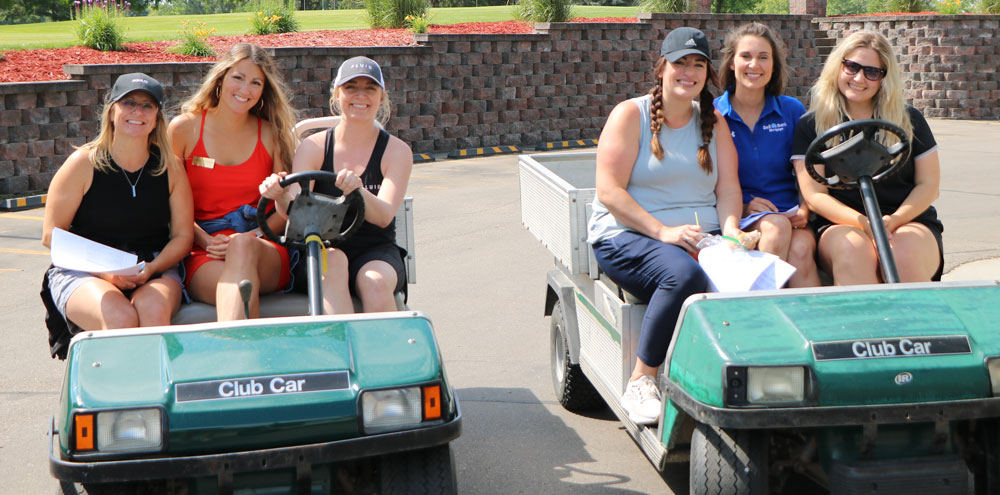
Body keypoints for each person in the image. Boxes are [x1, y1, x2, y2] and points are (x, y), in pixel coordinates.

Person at [586, 28, 745, 425]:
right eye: (679, 63)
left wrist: (730, 233)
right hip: (629, 236)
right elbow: (609, 192)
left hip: (698, 238)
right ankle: (642, 379)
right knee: (684, 274)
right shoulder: (631, 114)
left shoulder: (715, 123)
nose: (687, 72)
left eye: (698, 64)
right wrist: (664, 233)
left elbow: (728, 189)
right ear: (662, 67)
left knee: (756, 277)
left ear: (708, 74)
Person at [41, 73, 194, 357]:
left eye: (148, 106)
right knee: (121, 318)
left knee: (152, 313)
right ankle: (120, 398)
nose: (138, 112)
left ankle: (151, 398)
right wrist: (106, 273)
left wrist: (151, 267)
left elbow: (184, 236)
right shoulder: (83, 163)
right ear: (112, 110)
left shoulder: (169, 167)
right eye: (129, 103)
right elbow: (51, 236)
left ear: (157, 116)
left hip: (151, 267)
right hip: (85, 270)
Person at [259, 56, 413, 314]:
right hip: (320, 245)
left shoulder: (396, 151)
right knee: (334, 261)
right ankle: (341, 348)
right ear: (337, 94)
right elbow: (293, 209)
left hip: (375, 249)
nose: (360, 95)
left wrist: (357, 191)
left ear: (381, 97)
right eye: (351, 87)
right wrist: (279, 195)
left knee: (374, 282)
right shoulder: (314, 146)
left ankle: (382, 351)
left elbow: (384, 215)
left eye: (369, 88)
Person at [791, 31, 942, 285]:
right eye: (852, 67)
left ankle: (918, 322)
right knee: (853, 251)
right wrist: (865, 223)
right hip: (842, 222)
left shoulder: (909, 120)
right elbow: (815, 195)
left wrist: (892, 221)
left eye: (872, 72)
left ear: (884, 78)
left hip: (906, 219)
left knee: (899, 255)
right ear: (838, 67)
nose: (859, 78)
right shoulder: (811, 126)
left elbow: (928, 185)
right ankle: (865, 323)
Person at [167, 43, 299, 320]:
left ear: (264, 90)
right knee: (238, 290)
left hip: (263, 243)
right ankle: (248, 350)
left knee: (242, 249)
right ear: (221, 78)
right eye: (238, 78)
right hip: (203, 248)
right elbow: (168, 204)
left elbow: (284, 211)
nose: (245, 90)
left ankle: (236, 353)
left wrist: (250, 237)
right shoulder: (184, 129)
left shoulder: (271, 133)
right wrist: (205, 240)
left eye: (255, 83)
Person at [714, 23, 819, 288]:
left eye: (763, 57)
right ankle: (758, 317)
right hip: (741, 217)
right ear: (731, 63)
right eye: (746, 56)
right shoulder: (714, 114)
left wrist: (806, 209)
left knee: (801, 251)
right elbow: (707, 179)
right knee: (774, 229)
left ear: (773, 66)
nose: (754, 65)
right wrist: (747, 207)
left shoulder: (792, 110)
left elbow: (807, 169)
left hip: (791, 214)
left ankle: (816, 325)